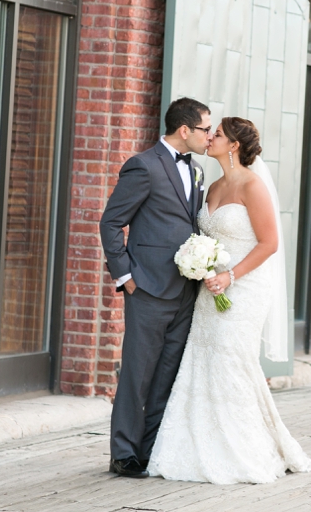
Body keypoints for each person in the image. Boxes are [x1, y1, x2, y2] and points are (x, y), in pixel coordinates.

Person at [147, 117, 311, 484]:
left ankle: (245, 449)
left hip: (244, 287)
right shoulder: (213, 186)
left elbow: (269, 243)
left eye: (217, 134)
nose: (210, 138)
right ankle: (198, 446)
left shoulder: (252, 186)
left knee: (232, 360)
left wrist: (231, 275)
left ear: (234, 145)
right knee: (204, 358)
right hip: (212, 289)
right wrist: (201, 264)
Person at [98, 97, 212, 478]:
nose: (209, 136)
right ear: (185, 130)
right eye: (205, 129)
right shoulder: (143, 166)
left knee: (168, 373)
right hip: (147, 288)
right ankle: (124, 453)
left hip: (185, 290)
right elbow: (111, 223)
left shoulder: (196, 171)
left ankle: (150, 450)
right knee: (138, 371)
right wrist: (126, 277)